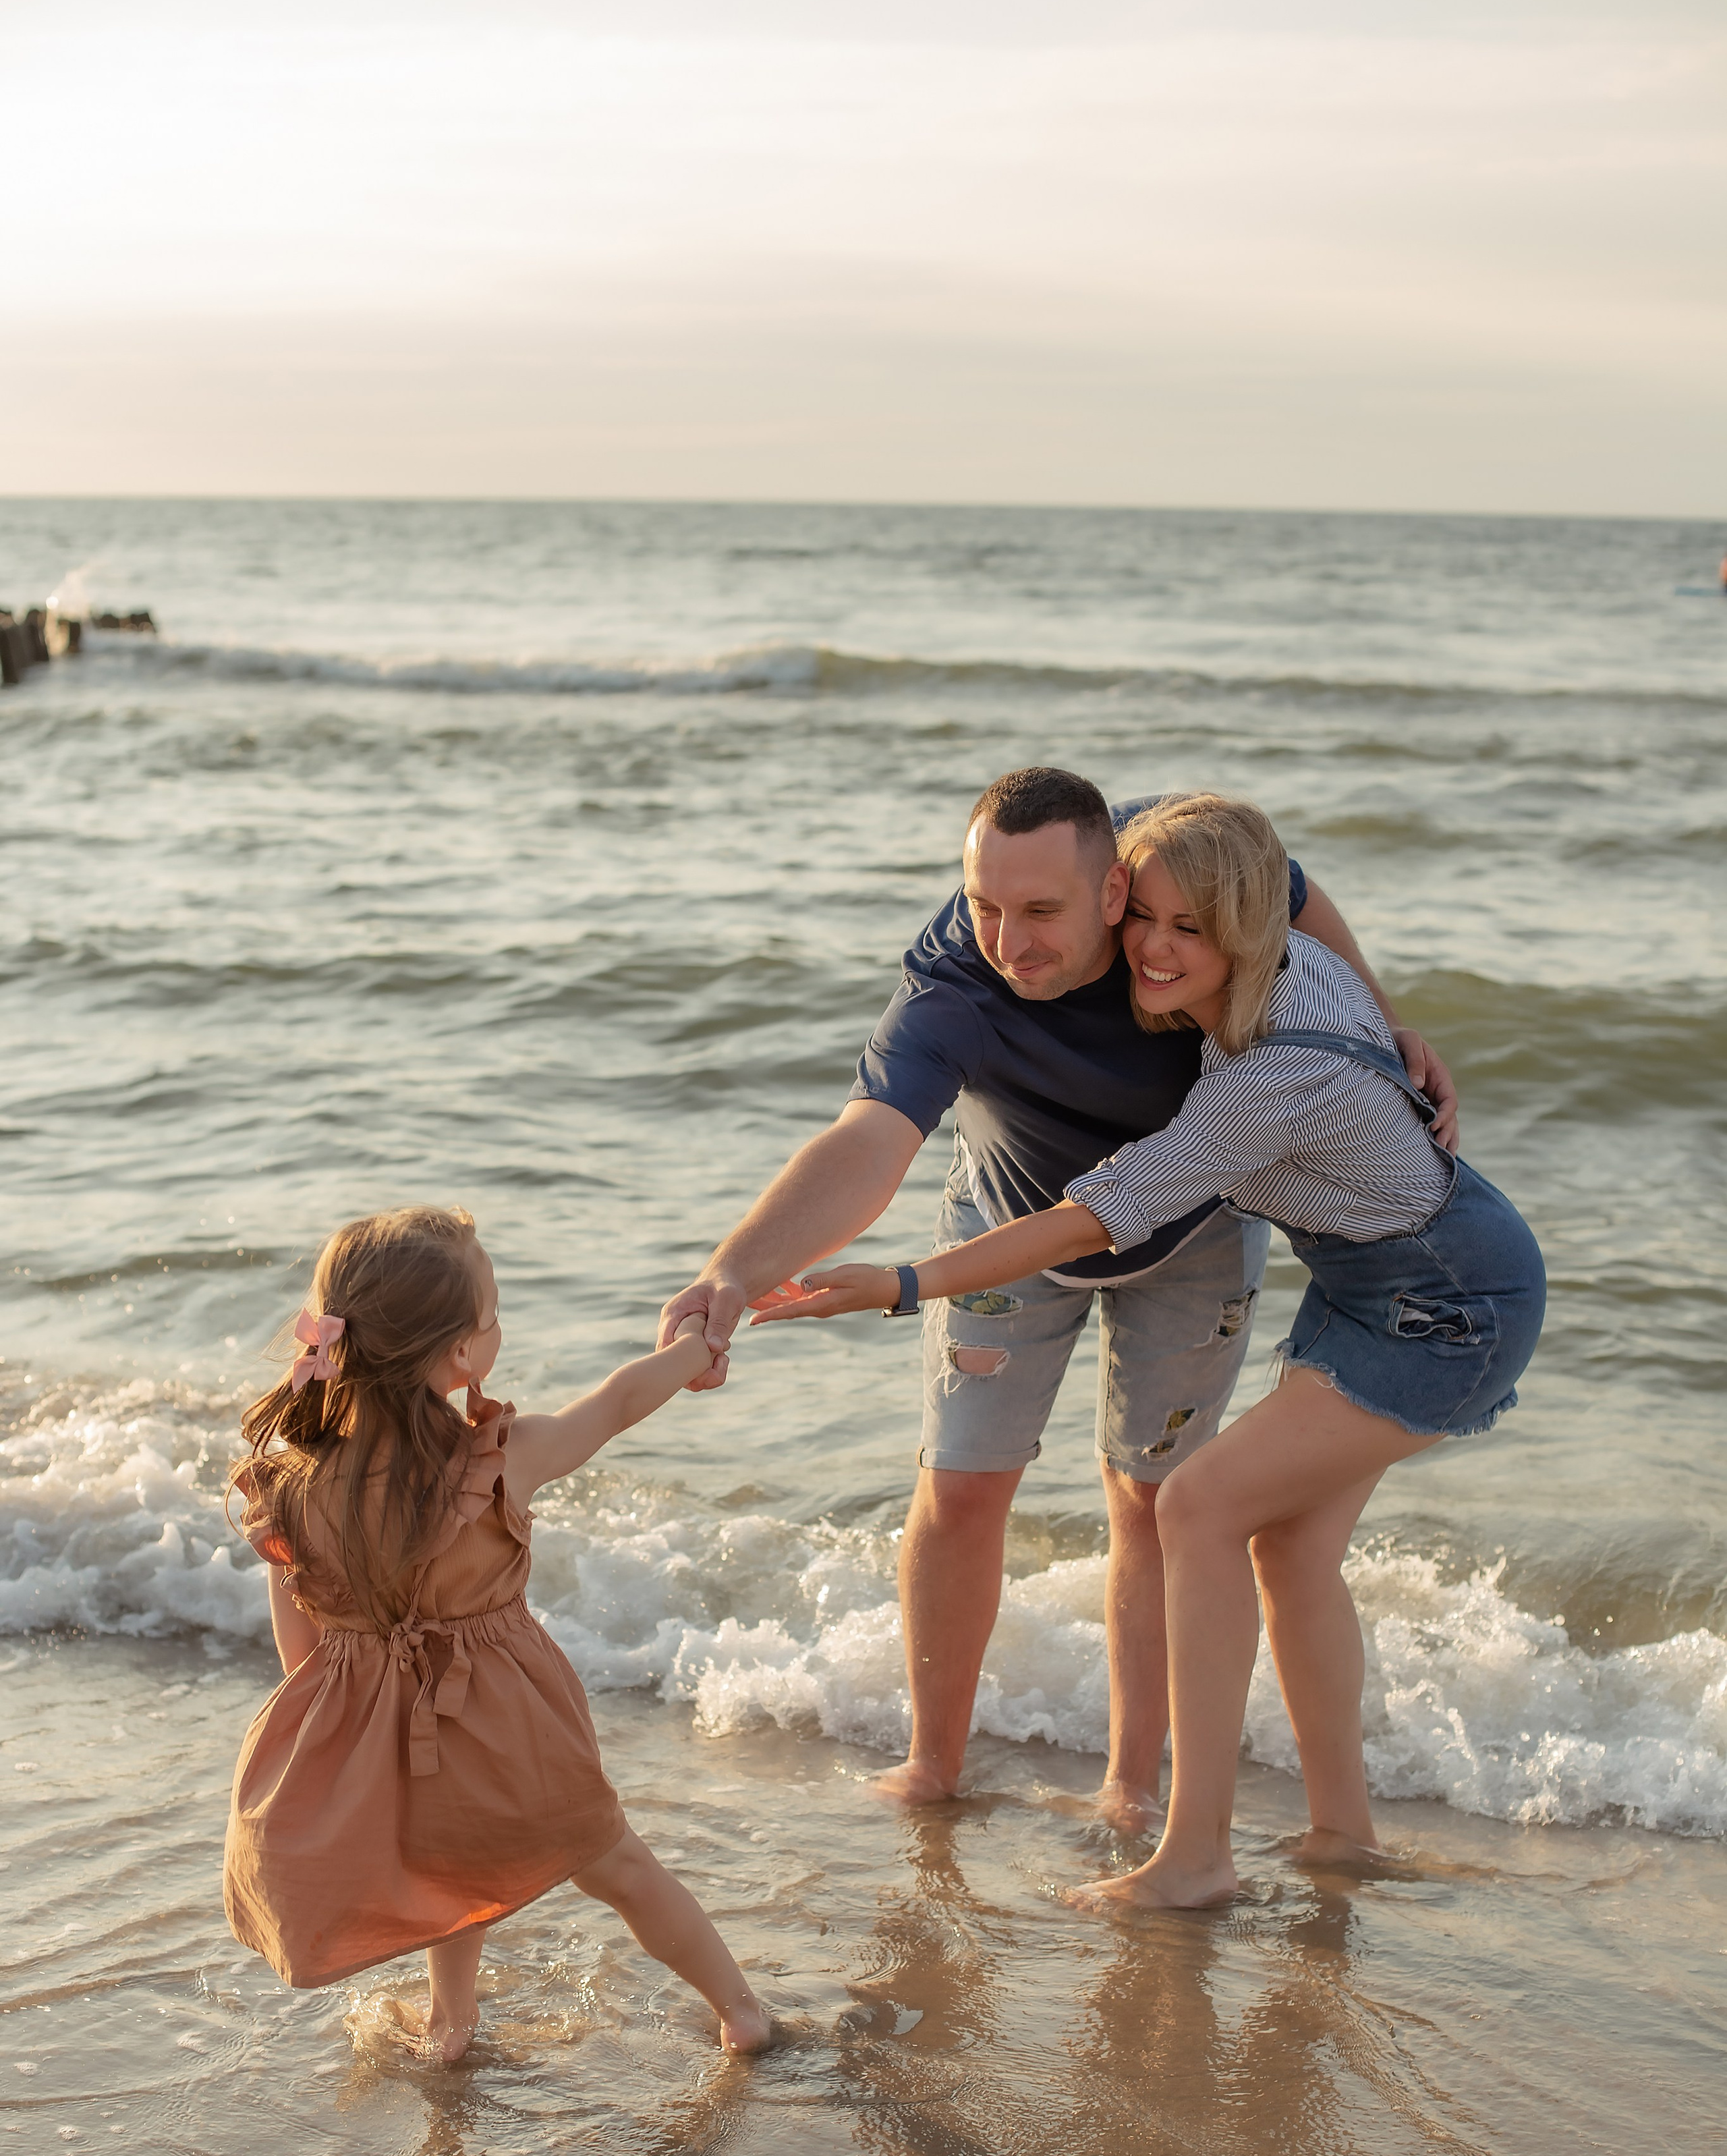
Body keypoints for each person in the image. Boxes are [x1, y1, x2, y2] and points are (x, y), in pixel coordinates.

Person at [751, 794, 1544, 1910]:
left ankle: (1195, 1859)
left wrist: (902, 1283)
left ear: (1255, 936)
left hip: (1447, 1302)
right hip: (1387, 1278)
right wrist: (1398, 1024)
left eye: (1194, 931)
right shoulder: (1294, 969)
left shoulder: (1267, 1080)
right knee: (1290, 1555)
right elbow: (1275, 880)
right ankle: (1342, 1836)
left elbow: (1089, 1220)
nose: (1159, 951)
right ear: (1120, 896)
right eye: (1150, 921)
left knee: (1195, 1508)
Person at [225, 1205, 771, 2062]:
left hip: (380, 1735)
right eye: (490, 1319)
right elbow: (618, 1403)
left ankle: (452, 2025)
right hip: (510, 1722)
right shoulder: (501, 1458)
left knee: (448, 1872)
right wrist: (694, 1350)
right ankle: (740, 2010)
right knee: (616, 1866)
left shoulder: (288, 1477)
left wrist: (350, 1726)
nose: (497, 1331)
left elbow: (302, 1648)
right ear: (461, 1357)